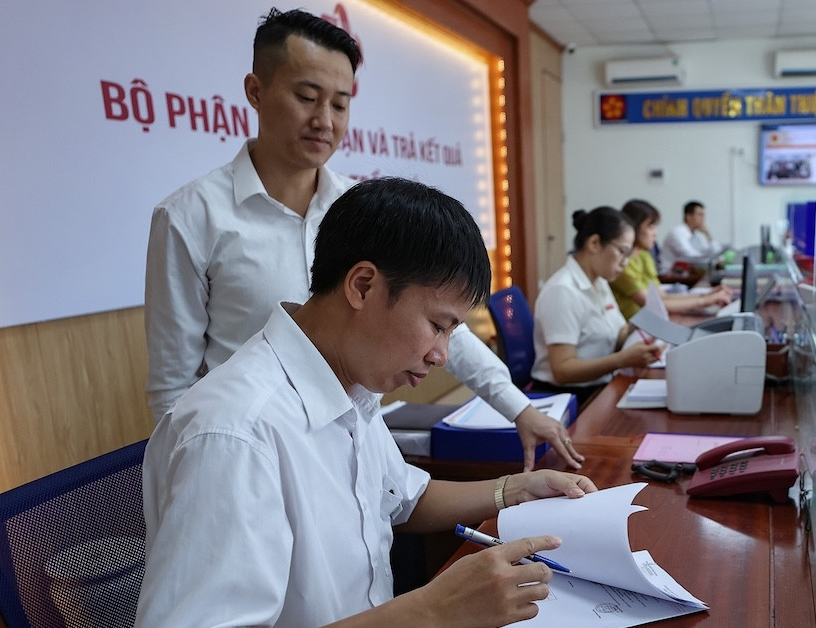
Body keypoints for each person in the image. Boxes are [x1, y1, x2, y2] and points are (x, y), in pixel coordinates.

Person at [135, 177, 597, 628]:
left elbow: (403, 500)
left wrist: (516, 489)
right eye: (438, 326)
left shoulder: (352, 383)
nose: (441, 355)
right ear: (362, 286)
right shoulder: (235, 435)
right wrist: (432, 612)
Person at [144, 7, 580, 471]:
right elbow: (174, 384)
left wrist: (519, 408)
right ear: (255, 91)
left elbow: (440, 324)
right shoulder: (190, 216)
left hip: (358, 448)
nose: (324, 120)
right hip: (255, 456)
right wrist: (196, 476)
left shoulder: (360, 207)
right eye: (306, 97)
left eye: (339, 104)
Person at [530, 207, 662, 405]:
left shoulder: (600, 281)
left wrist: (640, 328)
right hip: (570, 396)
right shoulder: (562, 290)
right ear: (594, 243)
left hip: (599, 385)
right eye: (622, 252)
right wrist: (622, 359)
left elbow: (615, 336)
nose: (625, 263)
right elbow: (562, 371)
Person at [611, 198, 732, 321]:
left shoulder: (644, 256)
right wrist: (705, 300)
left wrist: (706, 295)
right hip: (636, 326)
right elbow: (653, 304)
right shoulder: (623, 263)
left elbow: (662, 296)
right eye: (651, 227)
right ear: (634, 227)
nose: (655, 234)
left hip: (650, 321)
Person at [661, 200, 724, 265]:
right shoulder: (677, 233)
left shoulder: (697, 235)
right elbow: (693, 257)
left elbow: (716, 253)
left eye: (703, 215)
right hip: (670, 271)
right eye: (700, 215)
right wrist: (715, 261)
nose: (703, 218)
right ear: (688, 216)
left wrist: (708, 235)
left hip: (690, 269)